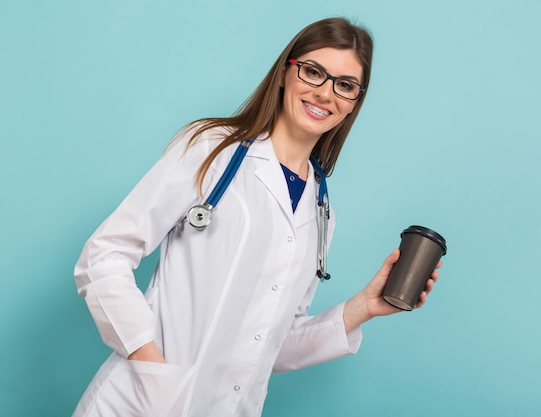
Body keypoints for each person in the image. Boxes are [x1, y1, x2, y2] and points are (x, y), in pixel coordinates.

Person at [72, 17, 441, 417]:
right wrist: (150, 366)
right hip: (141, 404)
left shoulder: (321, 212)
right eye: (313, 72)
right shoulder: (211, 150)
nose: (325, 93)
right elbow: (102, 258)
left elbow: (269, 343)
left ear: (354, 102)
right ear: (286, 71)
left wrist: (364, 307)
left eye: (345, 85)